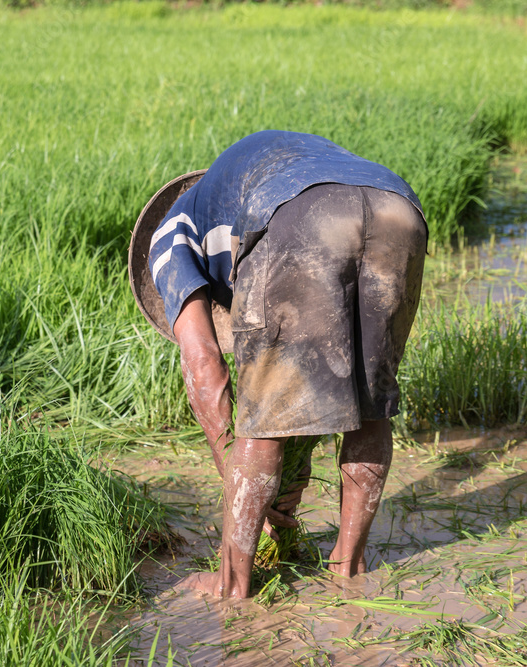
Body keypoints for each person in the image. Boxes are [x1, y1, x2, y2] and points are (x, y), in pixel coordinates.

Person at [138, 130, 427, 598]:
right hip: (399, 207)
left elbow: (205, 367)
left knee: (262, 420)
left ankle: (232, 586)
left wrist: (239, 476)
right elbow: (317, 383)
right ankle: (347, 569)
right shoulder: (240, 183)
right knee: (369, 403)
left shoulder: (168, 234)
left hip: (298, 214)